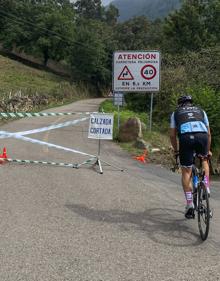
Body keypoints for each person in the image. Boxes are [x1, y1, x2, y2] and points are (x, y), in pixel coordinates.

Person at [170, 95, 212, 219]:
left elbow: (172, 135)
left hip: (186, 138)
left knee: (186, 171)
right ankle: (207, 186)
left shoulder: (175, 113)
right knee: (204, 159)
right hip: (202, 137)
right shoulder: (201, 111)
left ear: (180, 104)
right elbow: (209, 133)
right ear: (191, 103)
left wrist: (177, 151)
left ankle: (189, 204)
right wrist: (207, 150)